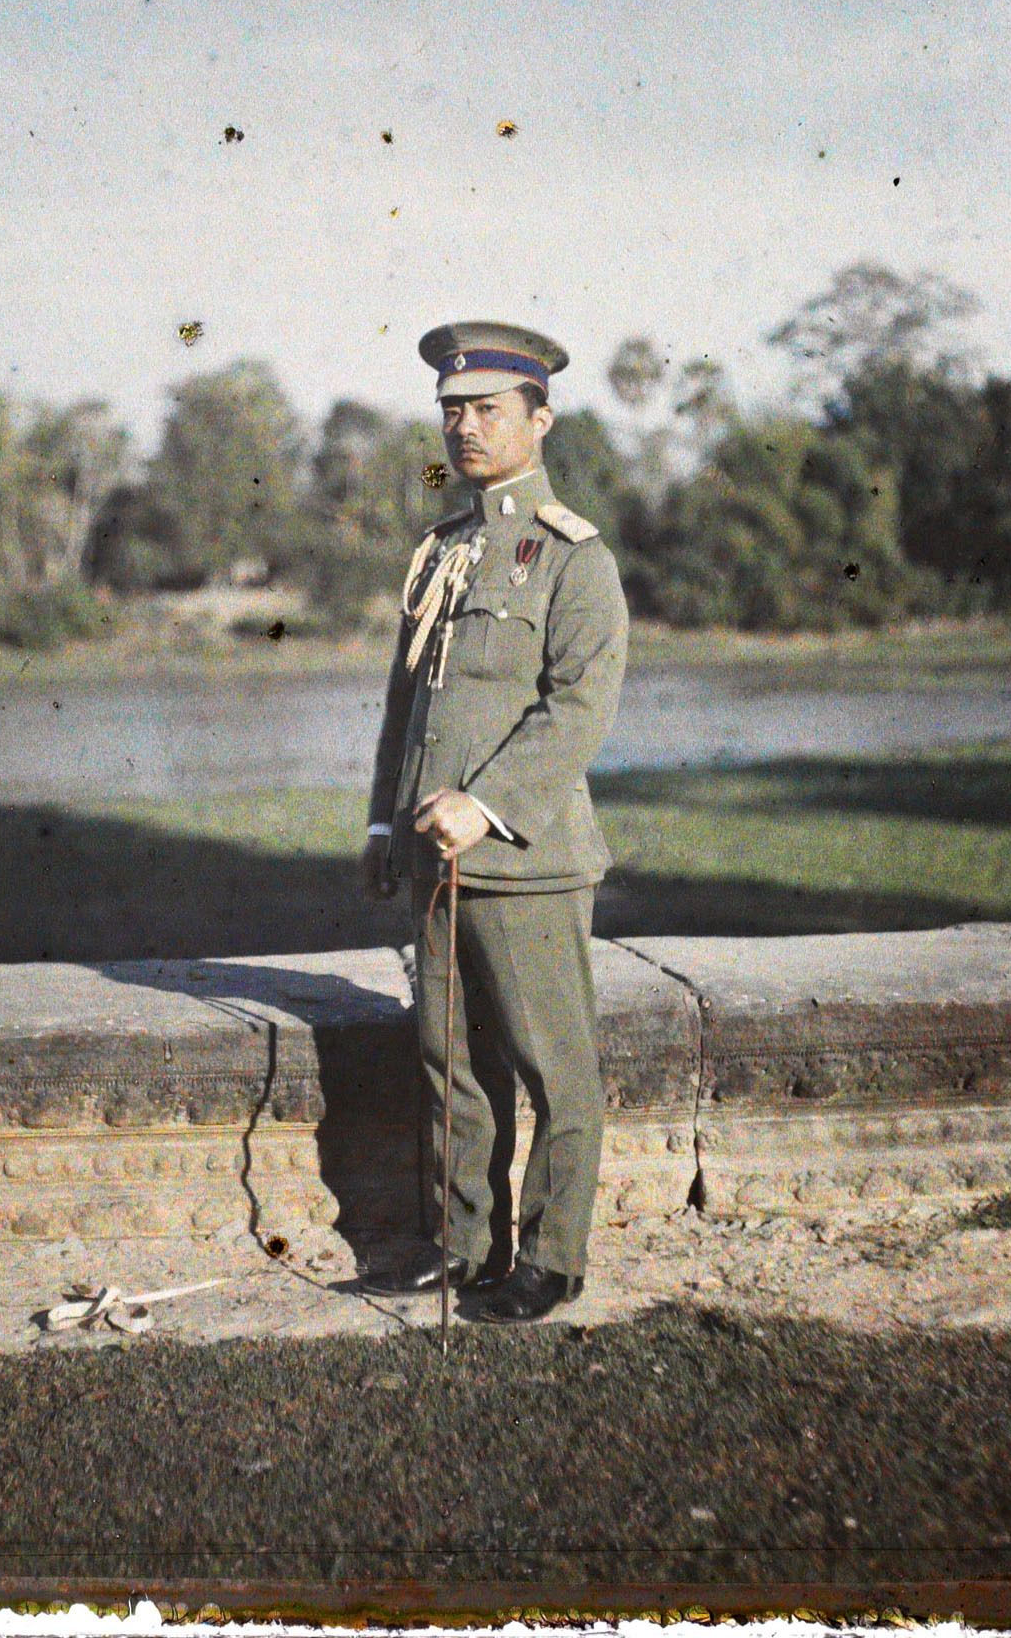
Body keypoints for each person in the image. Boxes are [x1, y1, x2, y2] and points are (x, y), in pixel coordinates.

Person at [359, 321, 629, 1323]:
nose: (464, 427)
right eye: (451, 410)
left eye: (486, 409)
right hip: (434, 858)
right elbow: (410, 706)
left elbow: (579, 706)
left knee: (555, 1069)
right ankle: (462, 1249)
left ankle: (551, 1261)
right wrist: (384, 826)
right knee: (452, 1066)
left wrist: (486, 803)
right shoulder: (445, 548)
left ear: (539, 419)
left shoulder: (572, 557)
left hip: (525, 861)